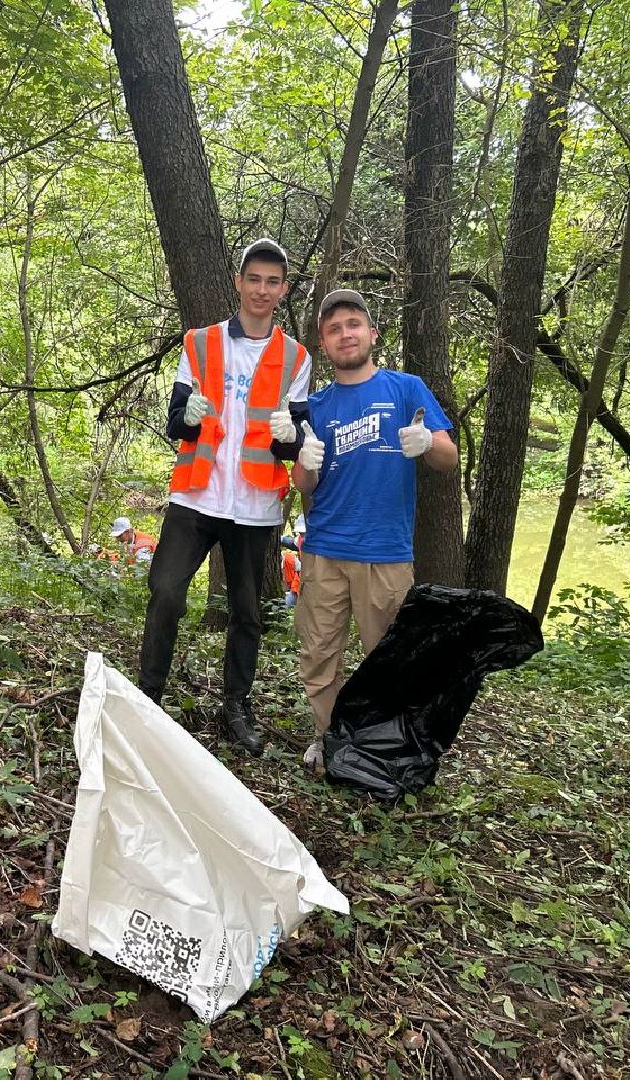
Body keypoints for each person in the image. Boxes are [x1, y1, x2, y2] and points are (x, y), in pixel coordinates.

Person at [138, 238, 312, 755]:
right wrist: (186, 420)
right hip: (197, 495)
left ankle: (235, 706)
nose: (261, 290)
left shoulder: (295, 358)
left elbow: (293, 443)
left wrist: (290, 434)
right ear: (238, 282)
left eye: (272, 282)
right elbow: (176, 421)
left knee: (247, 611)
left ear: (282, 290)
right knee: (166, 591)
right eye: (253, 279)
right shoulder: (200, 343)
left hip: (255, 504)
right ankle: (150, 698)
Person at [292, 288, 459, 769]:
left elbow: (447, 458)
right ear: (324, 344)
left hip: (385, 552)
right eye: (333, 329)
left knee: (387, 659)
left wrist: (427, 441)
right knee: (319, 654)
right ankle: (330, 738)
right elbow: (302, 482)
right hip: (324, 549)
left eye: (353, 325)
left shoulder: (406, 389)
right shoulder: (316, 406)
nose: (345, 334)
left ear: (371, 333)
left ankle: (384, 746)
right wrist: (304, 462)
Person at [281, 518, 305, 608]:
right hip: (299, 582)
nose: (303, 536)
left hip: (317, 582)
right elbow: (290, 542)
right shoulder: (299, 540)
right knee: (288, 604)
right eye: (301, 533)